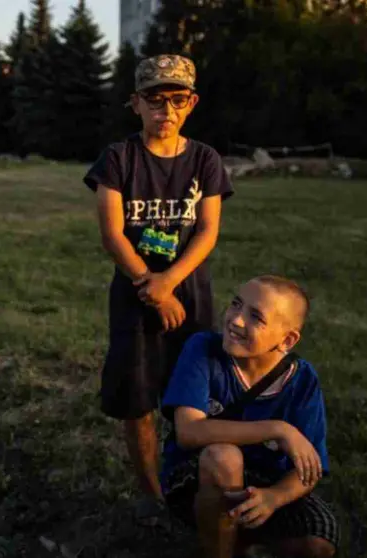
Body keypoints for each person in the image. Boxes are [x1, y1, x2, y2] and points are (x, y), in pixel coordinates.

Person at [82, 54, 234, 521]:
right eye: (155, 99)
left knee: (192, 394)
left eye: (177, 99)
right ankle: (153, 497)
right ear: (136, 103)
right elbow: (112, 234)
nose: (166, 110)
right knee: (138, 399)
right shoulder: (118, 158)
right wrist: (150, 287)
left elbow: (207, 231)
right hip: (134, 297)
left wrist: (169, 283)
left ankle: (187, 479)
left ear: (192, 103)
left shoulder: (204, 159)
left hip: (189, 296)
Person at [159, 275, 338, 558]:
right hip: (198, 477)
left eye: (255, 317)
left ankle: (244, 544)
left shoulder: (302, 380)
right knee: (224, 457)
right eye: (236, 304)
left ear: (287, 339)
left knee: (318, 546)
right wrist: (277, 429)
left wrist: (274, 497)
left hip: (267, 484)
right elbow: (189, 431)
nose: (236, 320)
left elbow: (308, 468)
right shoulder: (203, 349)